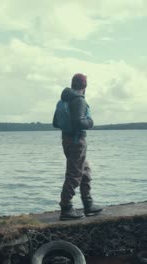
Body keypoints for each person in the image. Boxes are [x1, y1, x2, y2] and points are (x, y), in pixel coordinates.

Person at [53, 73, 103, 221]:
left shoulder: (63, 100)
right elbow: (79, 122)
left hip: (67, 140)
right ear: (85, 86)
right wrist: (90, 122)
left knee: (85, 171)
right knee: (74, 175)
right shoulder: (79, 100)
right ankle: (66, 208)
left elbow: (55, 123)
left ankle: (88, 204)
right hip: (77, 141)